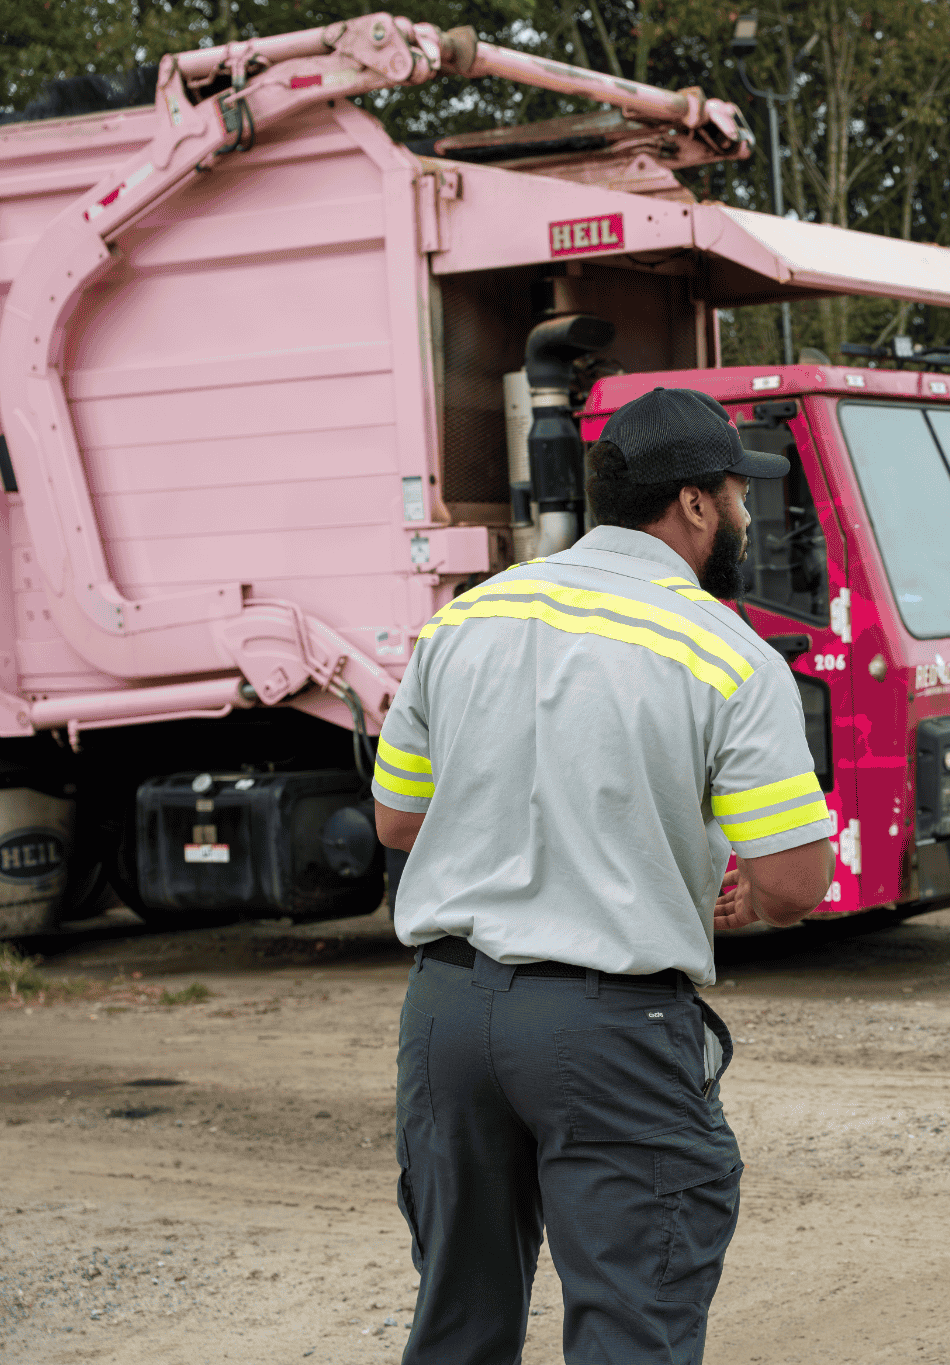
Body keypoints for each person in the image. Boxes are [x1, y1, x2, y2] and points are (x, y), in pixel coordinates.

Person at [371, 387, 836, 1364]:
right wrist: (743, 896)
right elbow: (794, 882)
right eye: (737, 496)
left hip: (446, 1015)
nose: (744, 516)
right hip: (608, 1029)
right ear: (698, 504)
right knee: (635, 1314)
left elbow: (397, 819)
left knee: (456, 1314)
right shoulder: (725, 653)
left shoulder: (464, 619)